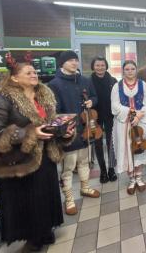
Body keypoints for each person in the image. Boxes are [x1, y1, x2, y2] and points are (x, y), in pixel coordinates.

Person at [0, 60, 75, 251]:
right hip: (20, 160)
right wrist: (29, 133)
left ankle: (44, 231)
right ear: (15, 78)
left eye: (34, 72)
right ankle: (33, 240)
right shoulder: (4, 98)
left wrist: (63, 132)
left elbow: (49, 123)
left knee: (44, 196)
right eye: (28, 73)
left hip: (46, 157)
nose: (34, 75)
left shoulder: (44, 94)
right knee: (28, 201)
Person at [49, 51, 100, 216]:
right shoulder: (54, 84)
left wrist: (92, 100)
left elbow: (94, 96)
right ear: (62, 63)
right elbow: (54, 111)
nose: (74, 63)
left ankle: (85, 187)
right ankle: (69, 199)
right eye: (70, 60)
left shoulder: (85, 80)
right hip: (69, 131)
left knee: (84, 161)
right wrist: (64, 128)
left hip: (86, 128)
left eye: (76, 60)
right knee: (68, 167)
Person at [111, 60, 146, 194]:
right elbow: (115, 106)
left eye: (132, 69)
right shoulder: (117, 86)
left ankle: (139, 177)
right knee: (127, 149)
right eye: (127, 69)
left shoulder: (143, 85)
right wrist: (129, 112)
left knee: (139, 148)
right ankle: (131, 179)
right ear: (123, 71)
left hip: (140, 123)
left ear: (136, 70)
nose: (130, 71)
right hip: (123, 124)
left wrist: (139, 116)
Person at [90, 56, 118, 183]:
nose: (100, 67)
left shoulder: (113, 80)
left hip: (110, 116)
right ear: (93, 67)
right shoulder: (88, 81)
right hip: (95, 117)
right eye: (97, 65)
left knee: (111, 143)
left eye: (102, 65)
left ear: (106, 66)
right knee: (98, 144)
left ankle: (111, 169)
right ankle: (103, 171)